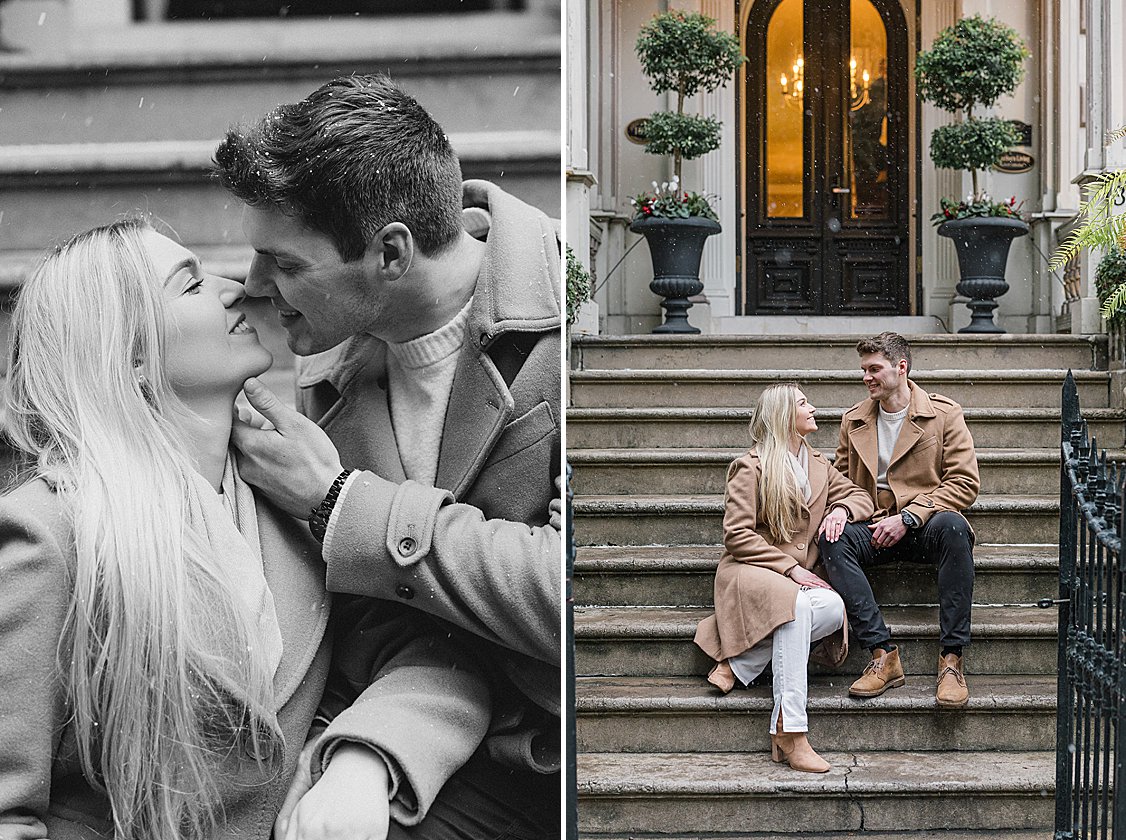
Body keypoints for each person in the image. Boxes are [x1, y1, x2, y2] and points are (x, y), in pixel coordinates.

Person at [0, 218, 489, 840]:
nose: (234, 289)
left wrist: (365, 760)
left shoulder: (293, 498)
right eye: (189, 285)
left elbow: (431, 657)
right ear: (128, 350)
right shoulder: (49, 534)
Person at [212, 73, 561, 835]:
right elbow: (369, 619)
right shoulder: (328, 369)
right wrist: (370, 753)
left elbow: (582, 598)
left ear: (391, 253)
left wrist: (342, 506)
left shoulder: (579, 319)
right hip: (422, 740)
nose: (255, 286)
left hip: (564, 760)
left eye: (287, 264)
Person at [694, 383, 873, 773]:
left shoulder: (819, 464)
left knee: (831, 607)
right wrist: (790, 568)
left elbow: (863, 496)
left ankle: (741, 662)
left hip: (798, 581)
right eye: (803, 403)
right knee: (795, 607)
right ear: (783, 416)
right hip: (754, 570)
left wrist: (841, 509)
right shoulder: (751, 466)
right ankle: (790, 730)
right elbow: (737, 535)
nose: (813, 409)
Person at [819, 331, 980, 708]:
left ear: (901, 367)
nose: (866, 377)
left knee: (955, 528)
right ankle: (881, 654)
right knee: (831, 538)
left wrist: (909, 516)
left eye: (875, 369)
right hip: (873, 525)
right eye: (863, 370)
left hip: (926, 526)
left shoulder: (944, 414)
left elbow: (965, 483)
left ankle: (952, 660)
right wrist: (842, 510)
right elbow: (840, 482)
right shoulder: (853, 420)